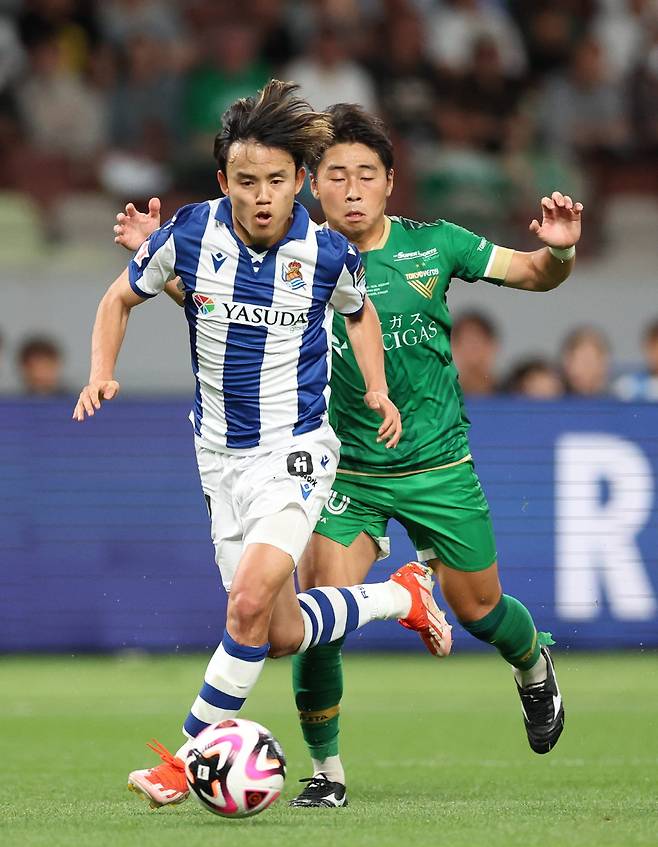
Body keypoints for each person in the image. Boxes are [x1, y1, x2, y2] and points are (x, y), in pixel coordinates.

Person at [114, 103, 583, 808]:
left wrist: (562, 250)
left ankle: (529, 661)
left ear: (391, 182)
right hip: (340, 475)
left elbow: (535, 273)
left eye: (367, 174)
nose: (353, 188)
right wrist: (163, 261)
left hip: (437, 466)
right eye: (337, 175)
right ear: (313, 184)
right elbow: (221, 305)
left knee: (479, 607)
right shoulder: (295, 251)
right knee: (310, 622)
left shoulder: (438, 246)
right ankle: (326, 771)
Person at [74, 82, 449, 810]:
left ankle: (182, 762)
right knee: (275, 632)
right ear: (224, 182)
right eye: (247, 181)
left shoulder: (326, 250)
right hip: (218, 460)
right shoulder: (190, 234)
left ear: (299, 181)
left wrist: (374, 387)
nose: (263, 195)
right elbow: (119, 296)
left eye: (278, 180)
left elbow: (361, 312)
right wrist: (100, 369)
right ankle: (395, 595)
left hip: (297, 452)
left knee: (246, 603)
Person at [560, 325, 610, 396]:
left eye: (586, 362)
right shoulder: (551, 398)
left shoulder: (621, 399)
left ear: (603, 363)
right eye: (571, 361)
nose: (577, 369)